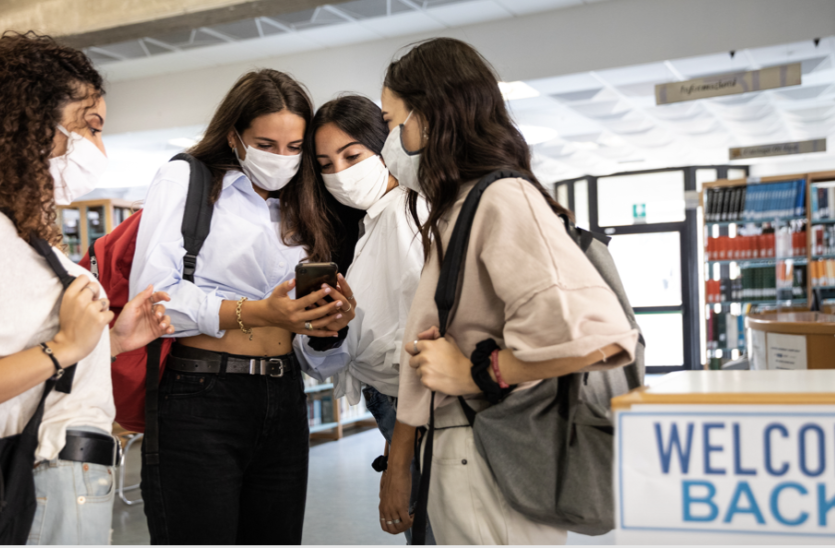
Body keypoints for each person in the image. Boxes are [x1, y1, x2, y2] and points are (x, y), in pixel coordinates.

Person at [0, 32, 174, 545]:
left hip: (70, 477)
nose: (99, 147)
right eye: (88, 126)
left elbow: (23, 365)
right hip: (49, 479)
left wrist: (106, 345)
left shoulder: (21, 240)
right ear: (29, 122)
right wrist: (65, 347)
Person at [383, 38, 640, 545]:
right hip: (462, 444)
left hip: (489, 448)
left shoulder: (502, 199)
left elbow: (602, 340)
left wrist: (478, 372)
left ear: (431, 116)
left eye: (397, 124)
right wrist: (401, 455)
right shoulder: (458, 209)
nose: (394, 141)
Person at [130, 69, 357, 545]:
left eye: (295, 148)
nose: (282, 159)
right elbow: (153, 298)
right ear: (234, 136)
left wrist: (326, 327)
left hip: (284, 394)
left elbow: (318, 358)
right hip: (202, 393)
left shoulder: (304, 203)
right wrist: (260, 312)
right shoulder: (188, 180)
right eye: (266, 145)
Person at [308, 95, 433, 542]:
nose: (339, 172)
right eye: (325, 163)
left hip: (417, 408)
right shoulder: (362, 226)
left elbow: (423, 342)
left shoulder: (413, 214)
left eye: (351, 155)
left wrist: (399, 459)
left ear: (384, 146)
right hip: (389, 403)